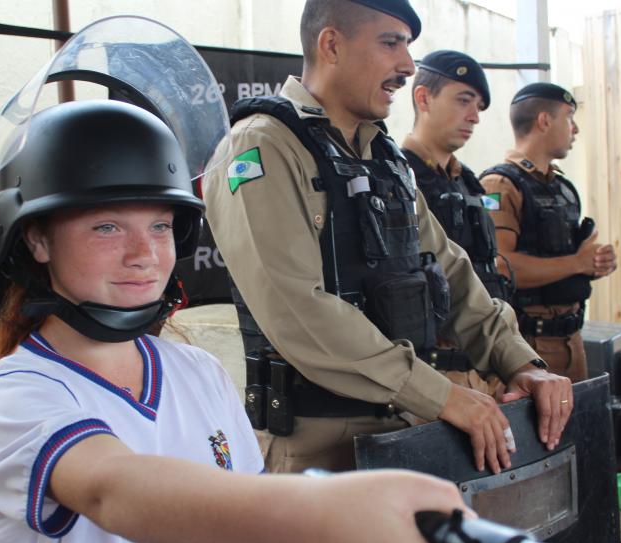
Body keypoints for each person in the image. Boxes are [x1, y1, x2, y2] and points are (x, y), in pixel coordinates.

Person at [0, 18, 472, 543]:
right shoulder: (20, 393)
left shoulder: (196, 372)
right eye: (106, 227)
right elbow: (113, 490)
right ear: (37, 241)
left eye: (160, 226)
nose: (144, 255)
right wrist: (320, 509)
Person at [204, 0, 573, 477]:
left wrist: (521, 362)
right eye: (390, 43)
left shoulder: (383, 156)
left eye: (408, 46)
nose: (407, 66)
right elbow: (297, 308)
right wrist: (442, 395)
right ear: (331, 44)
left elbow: (451, 270)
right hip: (317, 448)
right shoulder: (260, 145)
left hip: (405, 428)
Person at [480, 83, 617, 383]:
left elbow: (563, 258)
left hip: (572, 339)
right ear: (544, 120)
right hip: (527, 347)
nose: (576, 129)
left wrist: (594, 264)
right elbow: (501, 266)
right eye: (569, 117)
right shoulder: (498, 186)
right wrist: (578, 263)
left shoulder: (563, 188)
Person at [401, 50, 512, 396]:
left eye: (478, 106)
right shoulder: (396, 178)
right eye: (464, 100)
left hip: (483, 366)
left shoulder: (469, 183)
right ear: (423, 98)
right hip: (433, 376)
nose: (474, 116)